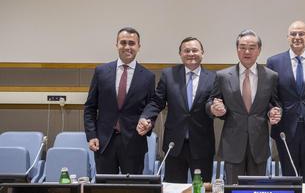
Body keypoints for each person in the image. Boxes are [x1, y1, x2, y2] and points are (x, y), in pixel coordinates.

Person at [207, 30, 282, 184]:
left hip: (258, 145)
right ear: (237, 50)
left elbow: (274, 103)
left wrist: (274, 112)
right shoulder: (223, 76)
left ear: (259, 50)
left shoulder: (271, 76)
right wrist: (214, 108)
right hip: (232, 144)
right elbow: (211, 102)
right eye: (242, 47)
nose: (247, 51)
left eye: (252, 47)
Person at [137, 37, 216, 183]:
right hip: (174, 145)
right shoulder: (169, 75)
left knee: (204, 192)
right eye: (186, 50)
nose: (191, 53)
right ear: (180, 54)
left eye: (195, 50)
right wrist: (146, 117)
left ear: (202, 53)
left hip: (202, 145)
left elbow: (212, 104)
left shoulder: (214, 77)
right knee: (172, 192)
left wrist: (214, 109)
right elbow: (156, 102)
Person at [84, 27, 155, 174]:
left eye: (131, 43)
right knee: (105, 191)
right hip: (104, 143)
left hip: (134, 142)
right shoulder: (101, 72)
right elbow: (90, 107)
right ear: (116, 45)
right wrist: (91, 136)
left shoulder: (148, 76)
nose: (127, 47)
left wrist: (148, 124)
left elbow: (151, 108)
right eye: (123, 42)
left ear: (138, 47)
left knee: (133, 192)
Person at [266, 20, 305, 183]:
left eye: (301, 33)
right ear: (287, 37)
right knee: (289, 178)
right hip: (285, 129)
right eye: (293, 34)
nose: (297, 37)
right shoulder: (274, 62)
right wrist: (273, 109)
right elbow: (270, 96)